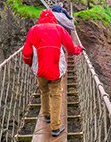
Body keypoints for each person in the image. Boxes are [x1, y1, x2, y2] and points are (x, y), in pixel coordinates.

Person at [22, 9, 83, 137]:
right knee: (56, 95)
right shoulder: (59, 29)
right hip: (55, 69)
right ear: (53, 18)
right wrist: (79, 50)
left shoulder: (33, 30)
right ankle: (55, 127)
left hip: (40, 70)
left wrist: (29, 63)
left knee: (44, 91)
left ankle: (47, 115)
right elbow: (70, 47)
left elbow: (27, 52)